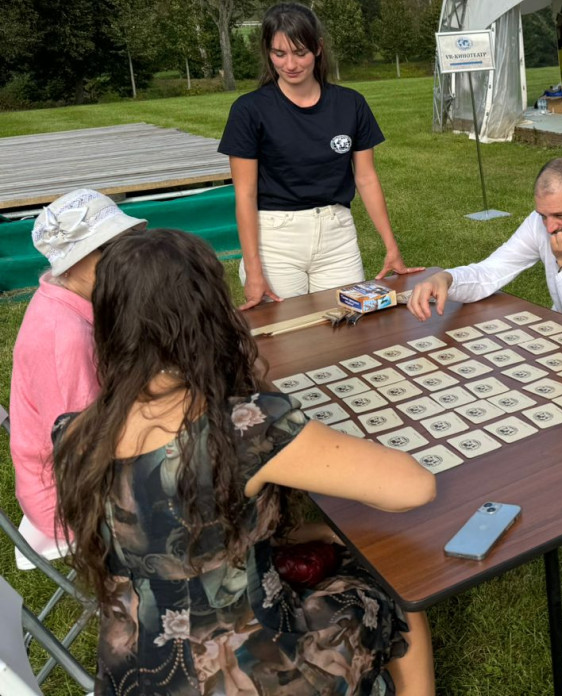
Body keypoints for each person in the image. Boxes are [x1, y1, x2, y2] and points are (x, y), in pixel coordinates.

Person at [51, 228, 438, 696]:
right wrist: (243, 378)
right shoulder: (244, 426)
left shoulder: (72, 432)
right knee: (392, 582)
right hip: (246, 673)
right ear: (208, 315)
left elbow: (174, 531)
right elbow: (414, 487)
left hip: (137, 672)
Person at [219, 2, 418, 309]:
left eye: (300, 52)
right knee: (287, 341)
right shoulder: (249, 110)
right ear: (268, 53)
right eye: (279, 54)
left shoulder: (351, 104)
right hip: (275, 239)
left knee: (347, 332)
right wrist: (253, 267)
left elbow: (366, 179)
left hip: (337, 235)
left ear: (318, 49)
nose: (290, 64)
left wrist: (391, 246)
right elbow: (244, 194)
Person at [9, 188, 145, 566]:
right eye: (108, 248)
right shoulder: (64, 336)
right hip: (70, 495)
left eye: (125, 242)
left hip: (75, 466)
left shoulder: (76, 297)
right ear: (71, 262)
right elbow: (83, 446)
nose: (125, 256)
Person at [408, 158, 562, 349]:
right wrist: (447, 278)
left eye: (560, 215)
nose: (550, 227)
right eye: (543, 215)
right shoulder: (541, 221)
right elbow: (494, 269)